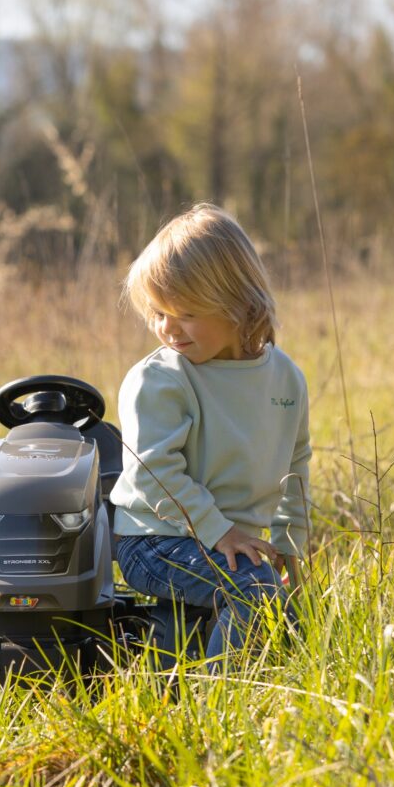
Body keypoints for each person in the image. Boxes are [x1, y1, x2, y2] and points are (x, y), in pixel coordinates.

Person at [110, 203, 310, 667]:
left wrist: (288, 543)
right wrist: (219, 532)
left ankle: (177, 686)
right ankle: (224, 706)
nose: (167, 329)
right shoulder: (160, 379)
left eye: (186, 313)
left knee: (288, 619)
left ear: (238, 304)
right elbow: (153, 473)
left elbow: (296, 463)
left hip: (226, 537)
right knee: (254, 595)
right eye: (158, 313)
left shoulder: (284, 379)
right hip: (156, 538)